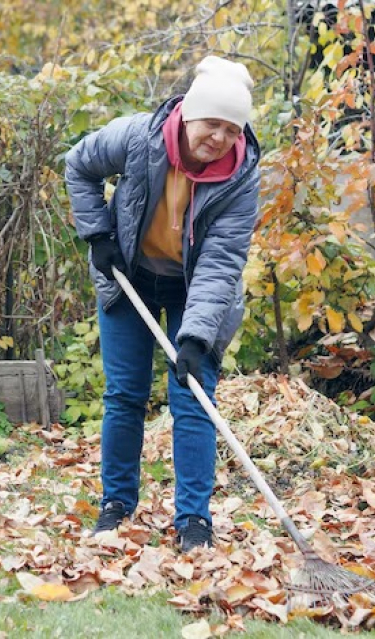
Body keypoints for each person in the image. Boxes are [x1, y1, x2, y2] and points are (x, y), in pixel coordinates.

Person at [64, 56, 261, 552]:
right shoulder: (137, 137)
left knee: (193, 397)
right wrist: (97, 235)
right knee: (126, 395)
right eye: (211, 123)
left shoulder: (241, 175)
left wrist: (194, 336)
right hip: (129, 277)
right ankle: (115, 506)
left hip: (198, 290)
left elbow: (220, 262)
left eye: (230, 128)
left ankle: (194, 521)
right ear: (190, 115)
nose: (218, 137)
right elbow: (78, 166)